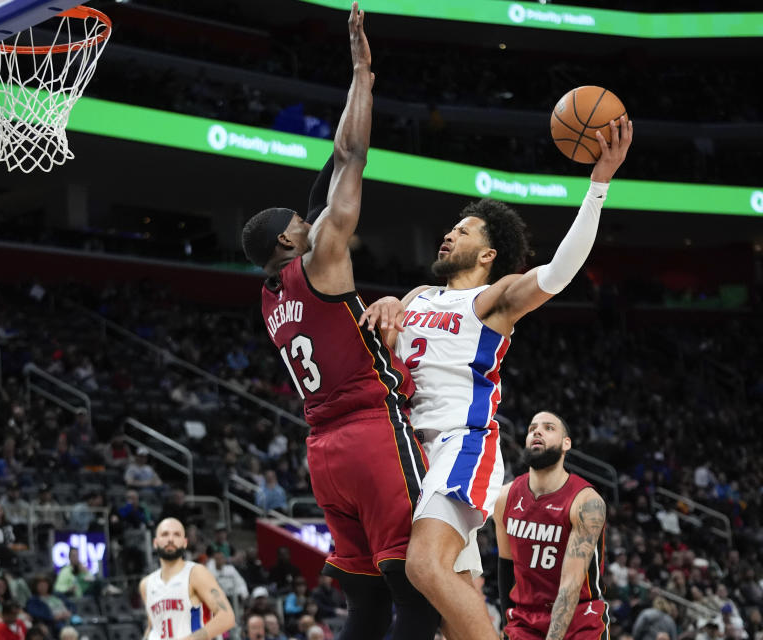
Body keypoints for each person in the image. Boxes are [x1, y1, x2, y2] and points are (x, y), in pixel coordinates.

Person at [360, 114, 632, 639]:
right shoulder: (417, 297)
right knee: (446, 608)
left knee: (423, 567)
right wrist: (388, 303)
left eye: (461, 231)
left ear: (487, 254)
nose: (448, 234)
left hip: (460, 445)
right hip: (406, 453)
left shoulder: (492, 299)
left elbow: (559, 273)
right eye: (449, 228)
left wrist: (598, 184)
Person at [240, 5, 438, 640]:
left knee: (367, 606)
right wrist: (360, 72)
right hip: (372, 433)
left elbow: (319, 193)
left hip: (324, 455)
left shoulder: (272, 298)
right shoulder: (320, 254)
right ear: (290, 241)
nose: (312, 221)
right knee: (419, 597)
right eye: (302, 224)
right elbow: (350, 153)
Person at [493, 412, 608, 640]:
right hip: (525, 622)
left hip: (580, 619)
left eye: (548, 428)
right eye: (532, 428)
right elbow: (505, 566)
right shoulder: (505, 497)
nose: (536, 431)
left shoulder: (586, 502)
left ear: (566, 444)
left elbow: (570, 585)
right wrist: (509, 626)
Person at [139, 518, 236, 640]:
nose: (170, 539)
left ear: (185, 542)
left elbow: (227, 617)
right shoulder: (146, 584)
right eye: (165, 534)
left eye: (176, 534)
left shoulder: (196, 573)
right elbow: (153, 626)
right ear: (155, 542)